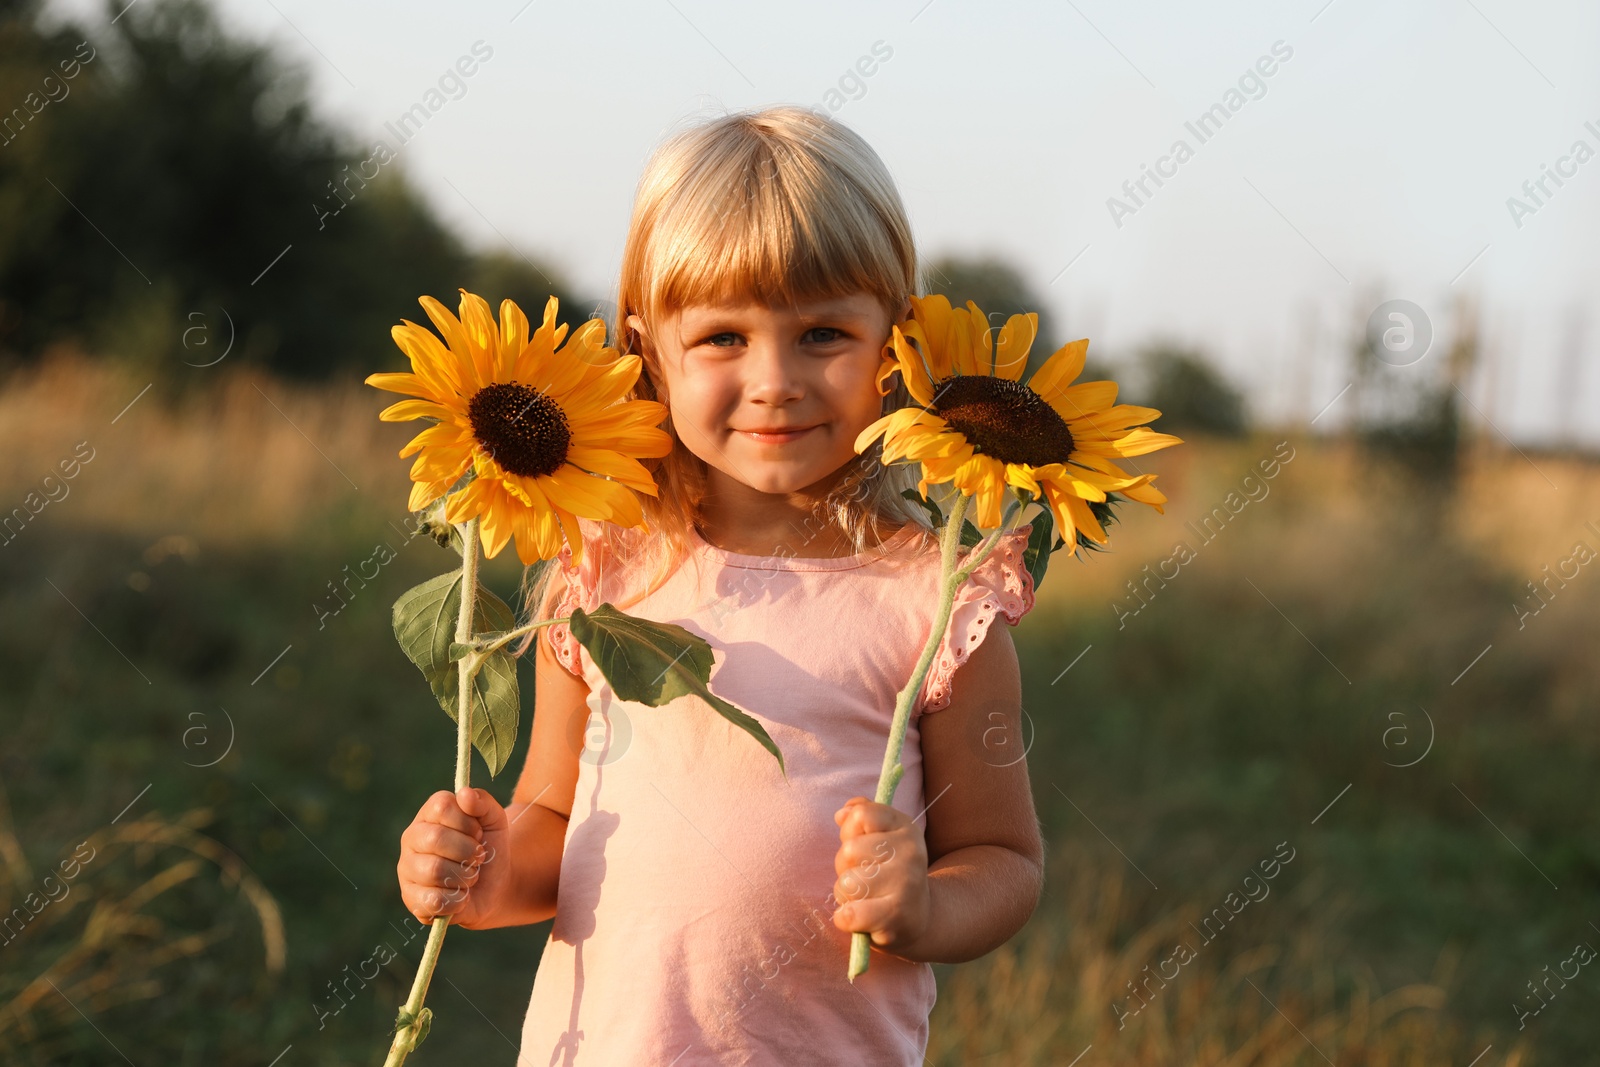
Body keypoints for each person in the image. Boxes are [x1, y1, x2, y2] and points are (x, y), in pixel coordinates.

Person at [396, 105, 1045, 1065]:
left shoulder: (942, 603)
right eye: (723, 338)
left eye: (823, 332)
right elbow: (553, 820)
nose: (775, 378)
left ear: (897, 346)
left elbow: (1006, 861)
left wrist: (924, 903)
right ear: (649, 347)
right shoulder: (605, 567)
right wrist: (483, 870)